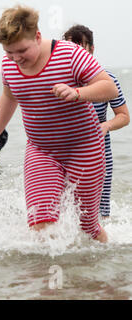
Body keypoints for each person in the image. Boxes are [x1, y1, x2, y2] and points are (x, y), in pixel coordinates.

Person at [0, 6, 119, 243]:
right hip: (42, 150)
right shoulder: (8, 64)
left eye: (22, 50)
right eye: (9, 52)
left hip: (84, 148)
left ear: (38, 37)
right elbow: (9, 98)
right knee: (40, 220)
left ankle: (98, 274)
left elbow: (109, 87)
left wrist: (77, 92)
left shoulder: (69, 54)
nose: (16, 58)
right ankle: (45, 275)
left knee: (87, 227)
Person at [63, 24, 130, 218]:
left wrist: (106, 125)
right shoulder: (58, 80)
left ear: (91, 49)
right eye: (69, 46)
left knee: (99, 213)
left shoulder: (107, 80)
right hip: (64, 152)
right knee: (65, 211)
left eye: (79, 45)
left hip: (100, 151)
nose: (74, 51)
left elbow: (124, 116)